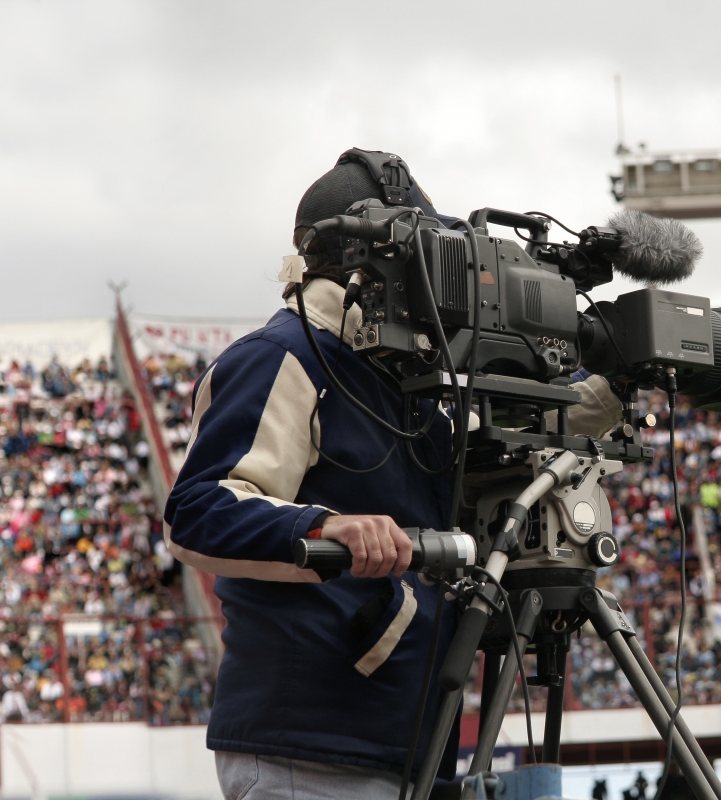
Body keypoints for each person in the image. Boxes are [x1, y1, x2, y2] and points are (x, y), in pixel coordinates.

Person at [164, 150, 623, 800]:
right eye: (432, 258)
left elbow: (493, 453)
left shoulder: (402, 385)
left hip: (403, 746)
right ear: (372, 259)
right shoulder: (285, 357)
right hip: (312, 749)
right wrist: (329, 527)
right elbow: (198, 512)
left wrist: (615, 380)